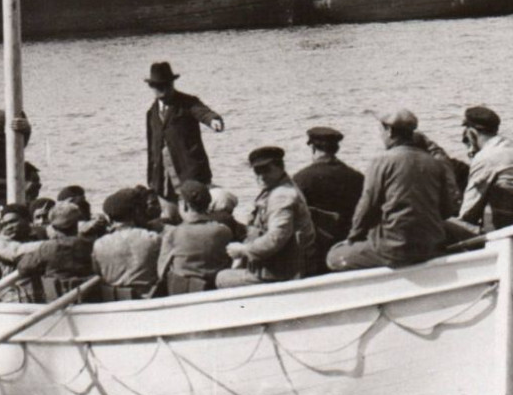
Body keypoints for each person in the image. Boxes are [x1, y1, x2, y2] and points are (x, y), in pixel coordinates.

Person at [327, 109, 458, 273]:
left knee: (333, 257)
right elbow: (446, 210)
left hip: (394, 249)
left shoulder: (381, 161)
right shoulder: (434, 163)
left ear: (389, 131)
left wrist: (353, 237)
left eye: (381, 130)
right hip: (431, 245)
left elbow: (367, 205)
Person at [215, 147, 315, 289]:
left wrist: (243, 250)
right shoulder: (278, 188)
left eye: (266, 170)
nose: (261, 176)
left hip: (283, 272)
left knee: (221, 277)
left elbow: (276, 238)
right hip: (282, 263)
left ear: (280, 167)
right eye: (257, 171)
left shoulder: (282, 196)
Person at [450, 105, 513, 241]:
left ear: (472, 132)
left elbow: (468, 214)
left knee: (441, 225)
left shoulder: (485, 157)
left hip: (499, 234)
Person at [144, 61, 225, 218]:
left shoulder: (188, 102)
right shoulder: (151, 113)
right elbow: (151, 148)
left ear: (172, 83)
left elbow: (202, 112)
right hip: (163, 179)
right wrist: (151, 178)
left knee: (194, 216)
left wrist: (213, 120)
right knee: (169, 218)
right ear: (152, 87)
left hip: (190, 172)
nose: (163, 90)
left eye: (166, 85)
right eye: (158, 87)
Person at [293, 126, 366, 270]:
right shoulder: (357, 177)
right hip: (351, 247)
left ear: (313, 148)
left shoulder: (301, 179)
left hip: (317, 252)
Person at [157, 179, 233, 294]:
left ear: (185, 205)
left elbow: (161, 272)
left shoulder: (173, 233)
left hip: (182, 292)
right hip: (213, 290)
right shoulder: (223, 231)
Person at [14, 200, 95, 298]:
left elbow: (23, 268)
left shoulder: (48, 247)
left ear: (53, 226)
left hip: (58, 299)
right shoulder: (91, 244)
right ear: (76, 224)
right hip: (88, 296)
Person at [92, 187, 162, 298]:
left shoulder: (99, 244)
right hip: (149, 298)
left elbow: (98, 274)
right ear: (137, 212)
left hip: (114, 301)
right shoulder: (152, 238)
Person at [0, 203, 46, 303]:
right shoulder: (1, 243)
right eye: (5, 224)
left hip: (41, 295)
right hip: (13, 298)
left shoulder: (38, 234)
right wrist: (49, 245)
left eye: (13, 222)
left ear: (26, 220)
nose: (9, 227)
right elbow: (16, 252)